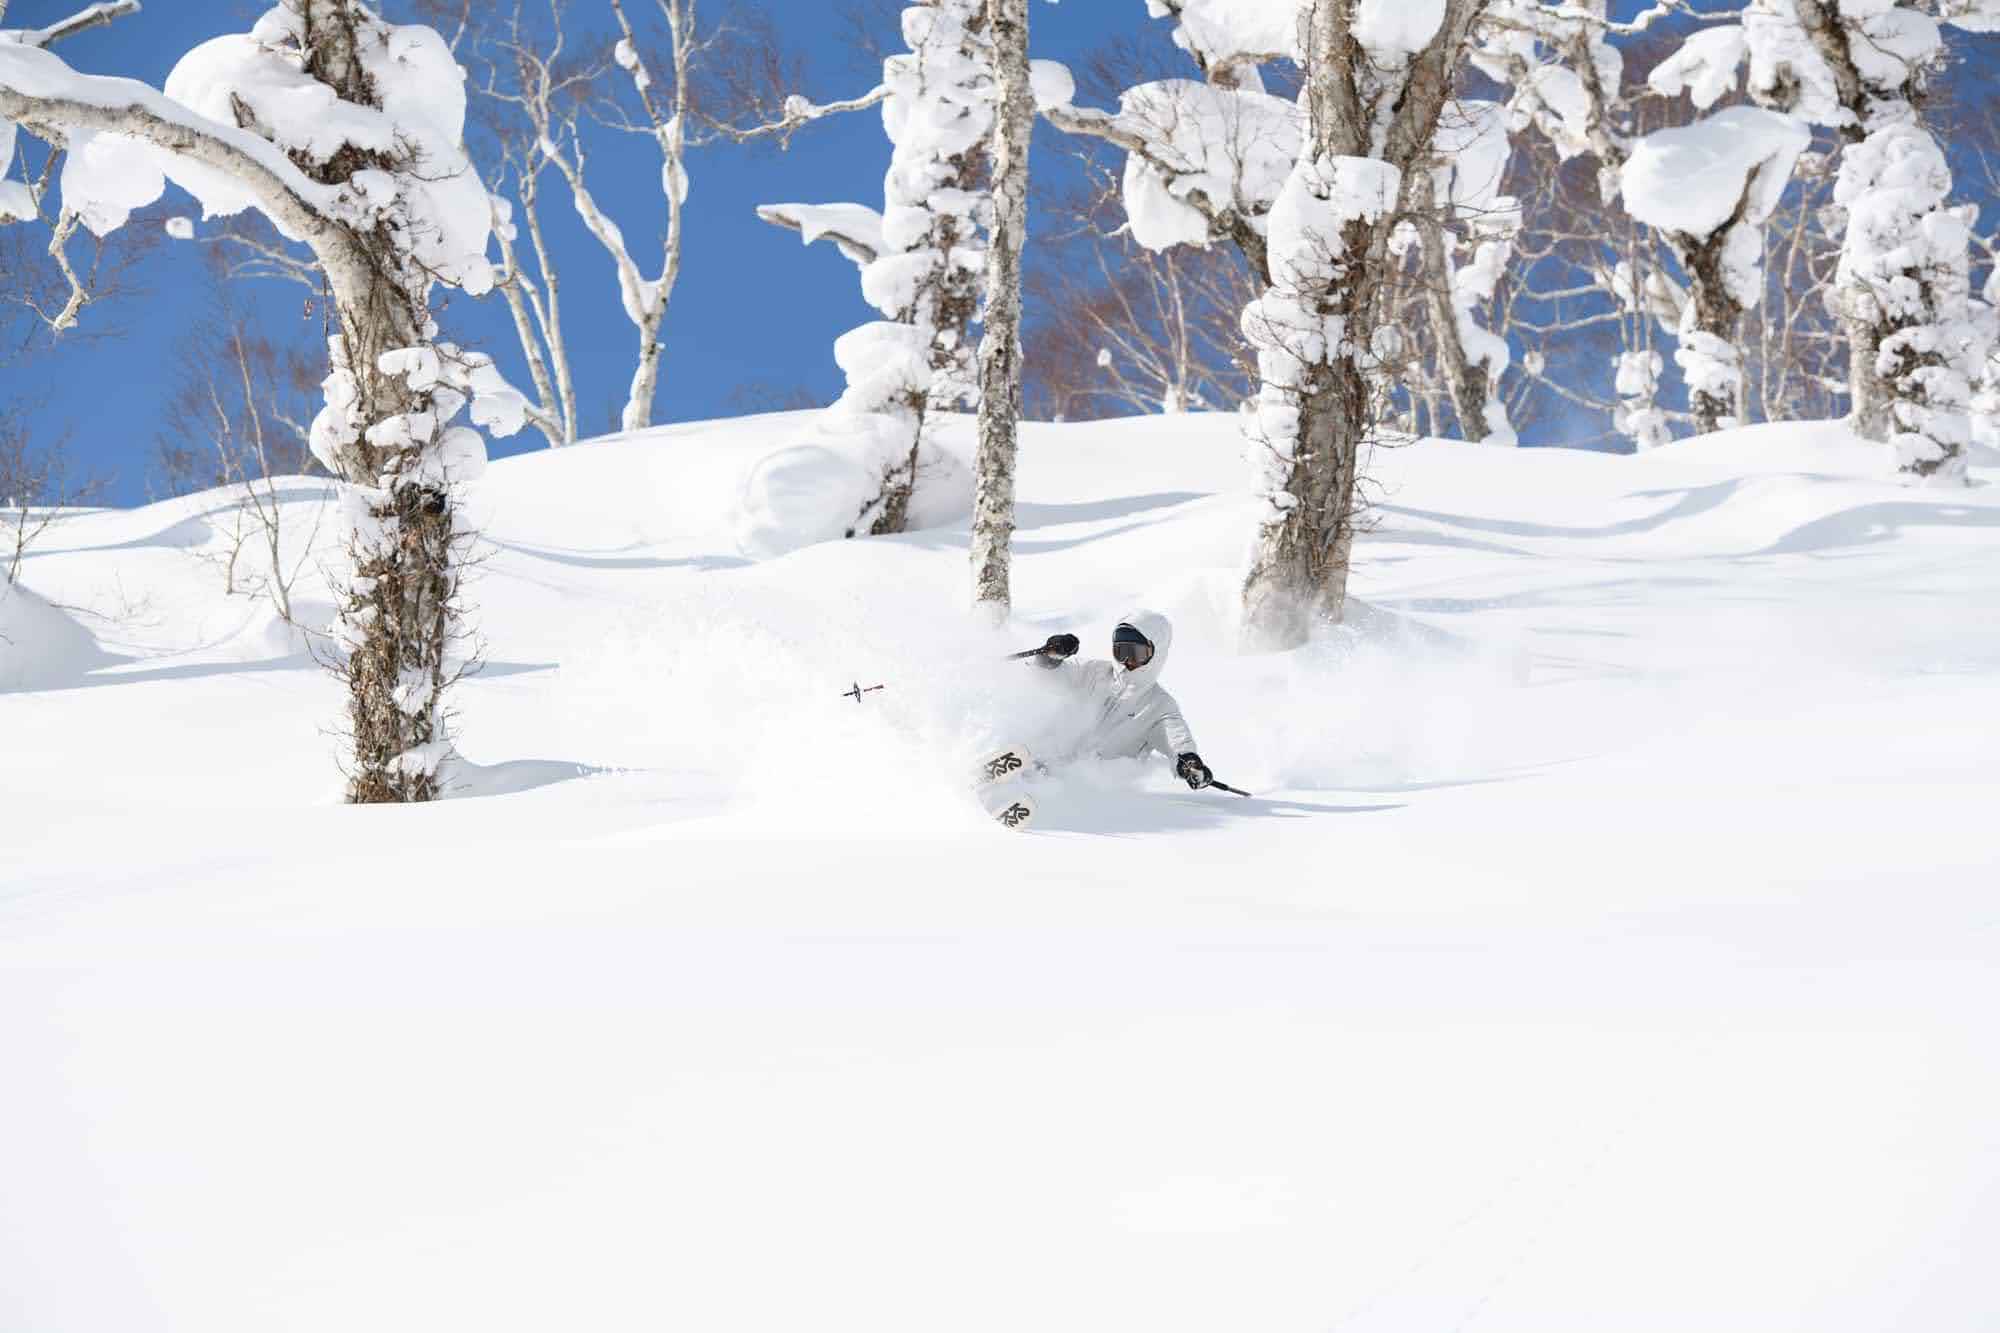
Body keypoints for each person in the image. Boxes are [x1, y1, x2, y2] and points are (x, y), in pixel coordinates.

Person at [1028, 609, 1214, 790]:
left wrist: (1189, 763)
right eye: (1121, 651)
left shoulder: (1159, 706)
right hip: (1044, 763)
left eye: (1135, 653)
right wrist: (1049, 658)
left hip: (1089, 790)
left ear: (1156, 653)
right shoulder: (1092, 672)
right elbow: (1042, 676)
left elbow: (1177, 741)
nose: (1127, 660)